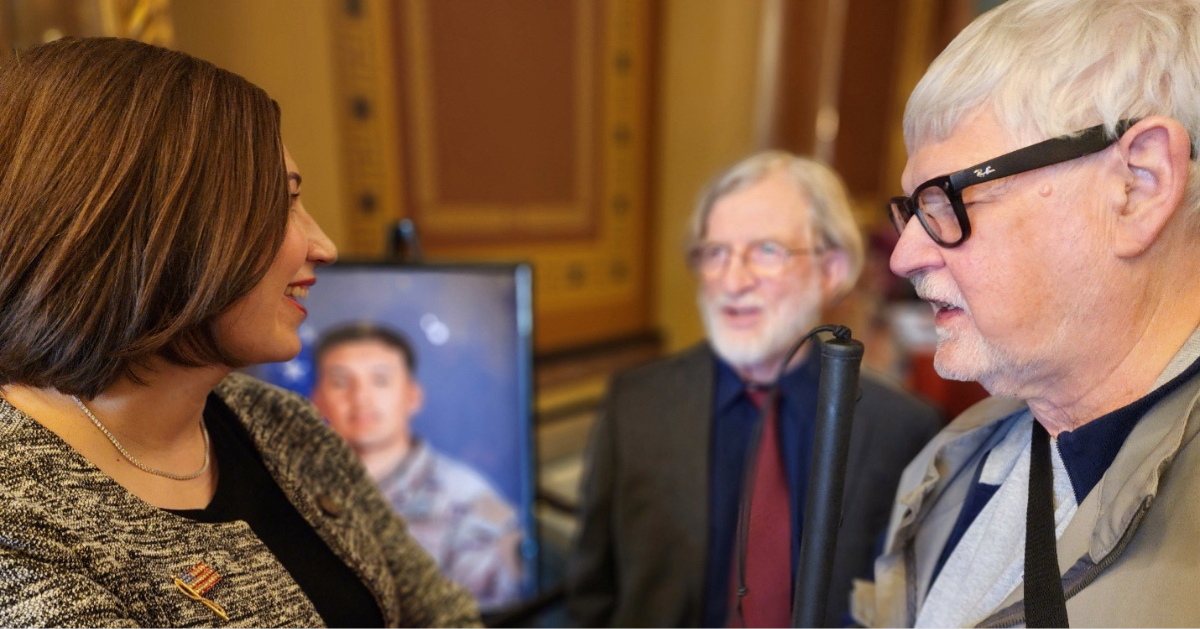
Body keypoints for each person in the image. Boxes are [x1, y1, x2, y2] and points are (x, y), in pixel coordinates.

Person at [0, 37, 478, 627]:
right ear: (155, 231)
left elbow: (441, 616)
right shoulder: (17, 523)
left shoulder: (279, 424)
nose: (324, 247)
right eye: (282, 203)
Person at [856, 1, 1200, 626]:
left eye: (947, 197)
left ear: (1139, 185)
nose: (905, 255)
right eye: (913, 207)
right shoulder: (953, 460)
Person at [567, 151, 942, 627]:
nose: (733, 280)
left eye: (766, 251)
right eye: (715, 252)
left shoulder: (900, 428)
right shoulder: (636, 404)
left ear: (831, 269)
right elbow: (591, 595)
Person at [311, 323, 524, 610]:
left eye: (380, 380)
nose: (360, 397)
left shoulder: (469, 502)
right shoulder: (293, 487)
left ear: (412, 396)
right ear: (318, 400)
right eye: (340, 382)